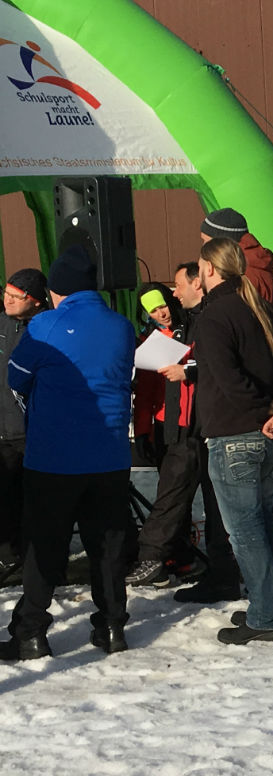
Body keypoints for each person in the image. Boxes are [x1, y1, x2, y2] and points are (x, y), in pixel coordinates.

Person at [1, 246, 136, 660]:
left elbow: (16, 377)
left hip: (54, 458)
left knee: (45, 545)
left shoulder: (45, 325)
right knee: (107, 545)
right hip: (110, 456)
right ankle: (112, 626)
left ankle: (30, 632)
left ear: (56, 290)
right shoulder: (121, 325)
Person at [190, 236, 273, 644]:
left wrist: (265, 414)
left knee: (246, 531)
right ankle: (271, 604)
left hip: (235, 433)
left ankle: (267, 615)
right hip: (267, 434)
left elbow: (229, 379)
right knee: (262, 523)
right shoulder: (261, 308)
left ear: (209, 268)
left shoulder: (214, 316)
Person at [128, 267, 228, 587]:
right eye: (153, 311)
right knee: (174, 497)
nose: (161, 313)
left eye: (162, 306)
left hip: (193, 425)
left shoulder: (196, 327)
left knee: (175, 496)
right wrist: (143, 431)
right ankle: (179, 557)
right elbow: (146, 393)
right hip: (165, 426)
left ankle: (157, 556)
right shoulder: (150, 341)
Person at [1, 268, 49, 584]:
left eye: (15, 297)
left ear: (35, 301)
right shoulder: (3, 323)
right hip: (3, 429)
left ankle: (39, 561)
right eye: (5, 294)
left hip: (35, 431)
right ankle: (7, 557)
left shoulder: (47, 327)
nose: (7, 300)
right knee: (5, 498)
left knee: (37, 502)